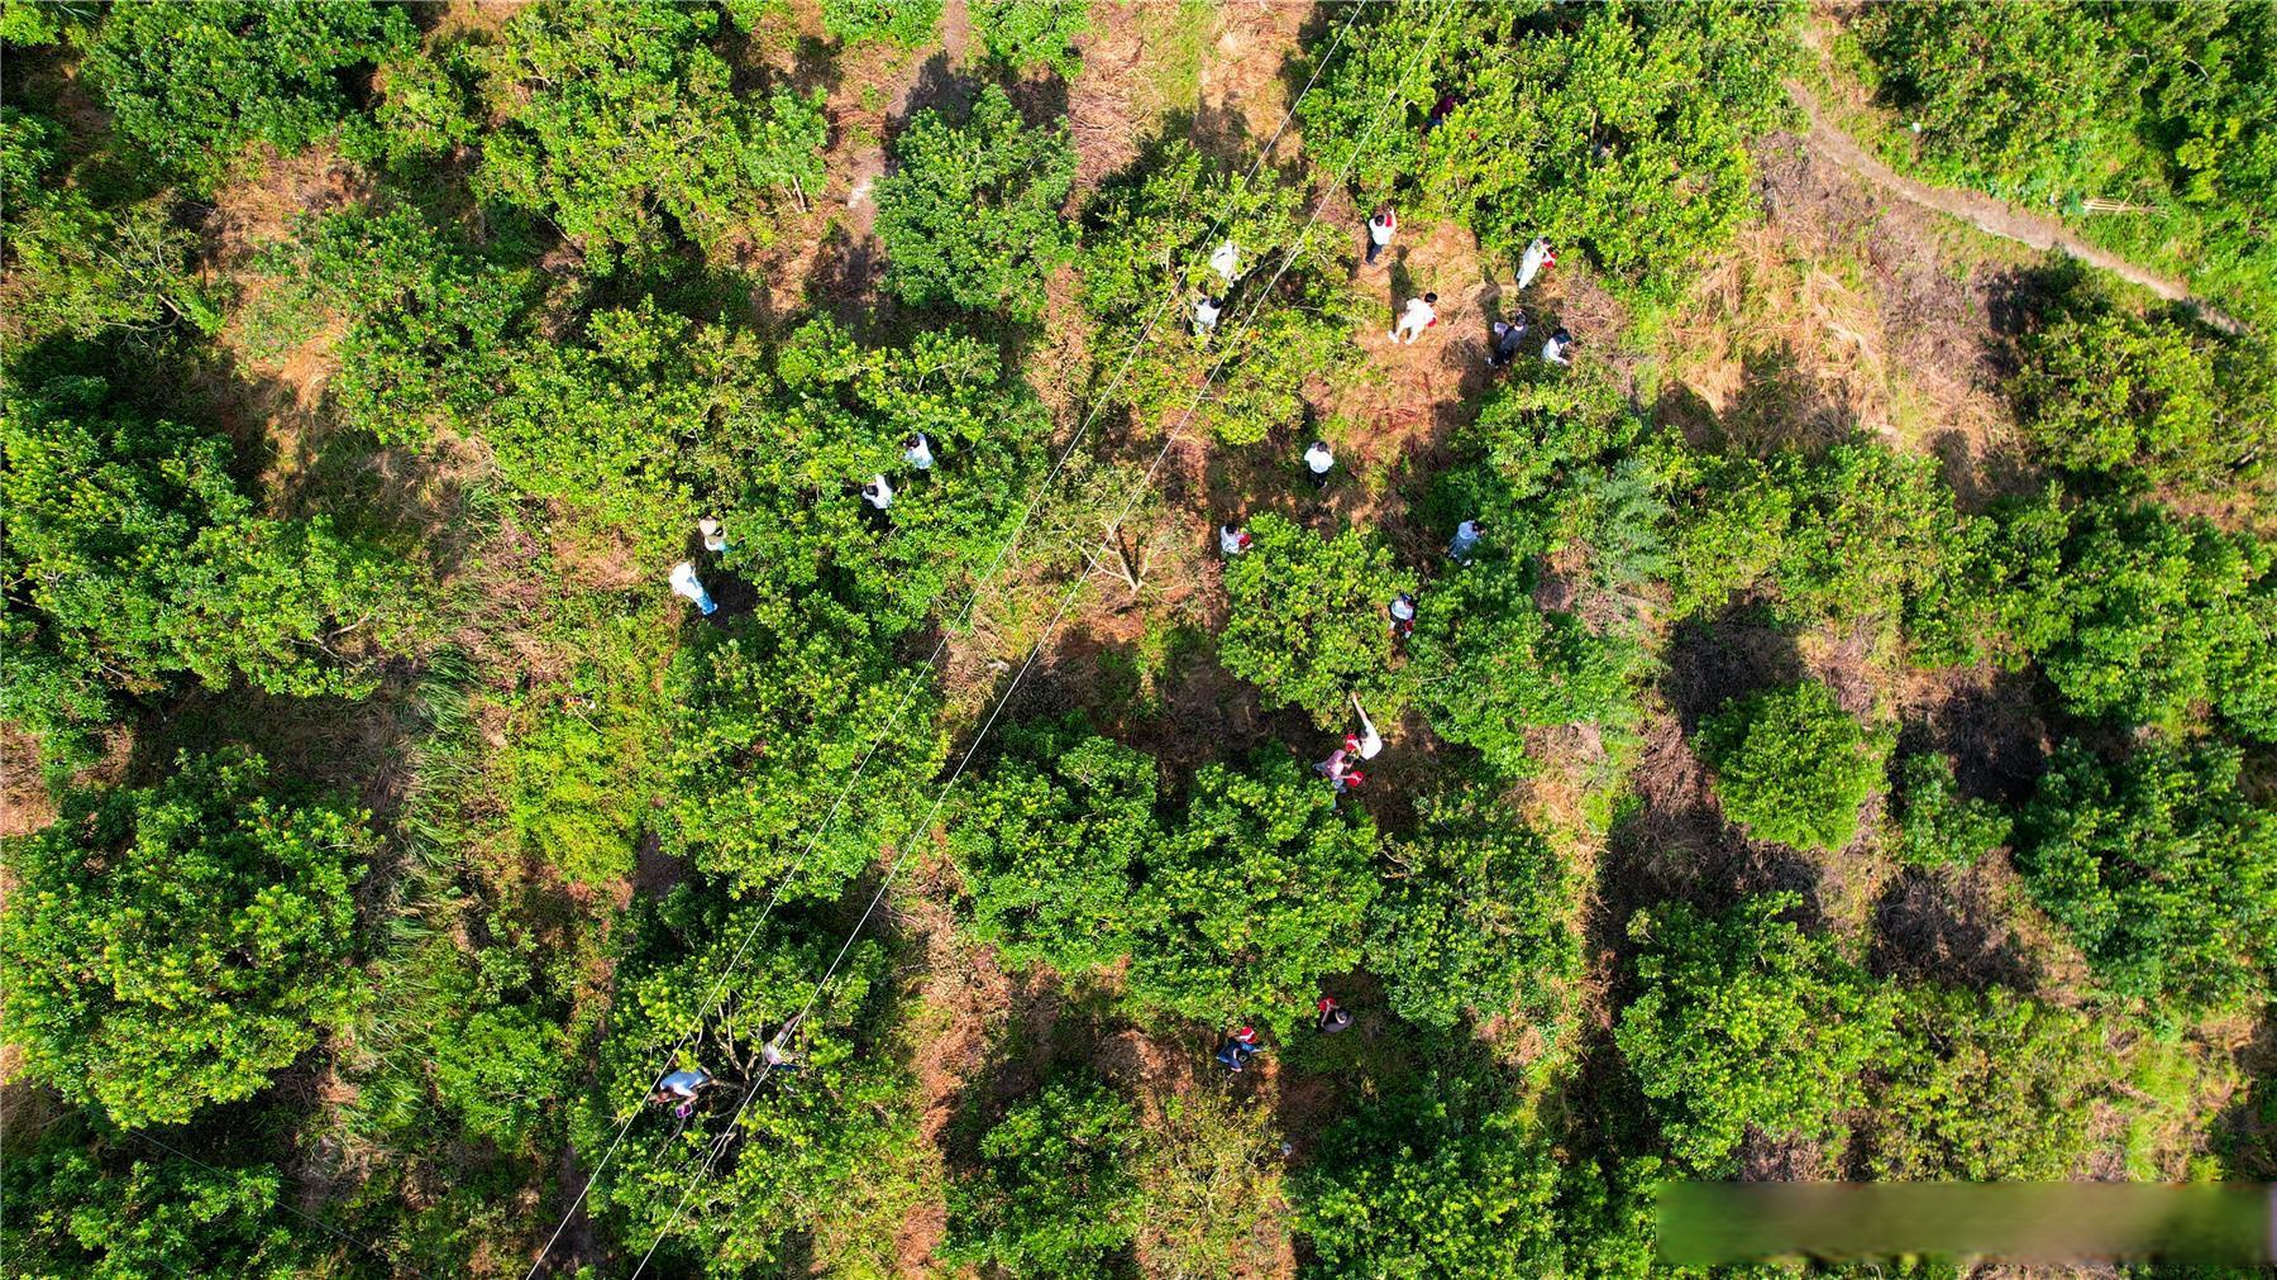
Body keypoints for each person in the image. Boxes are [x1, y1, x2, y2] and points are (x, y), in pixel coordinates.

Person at [1350, 693, 1383, 760]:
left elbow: (1359, 752)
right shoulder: (1371, 731)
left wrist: (1357, 745)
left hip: (1368, 753)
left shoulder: (1364, 750)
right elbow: (1363, 716)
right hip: (1378, 746)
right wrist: (1355, 701)